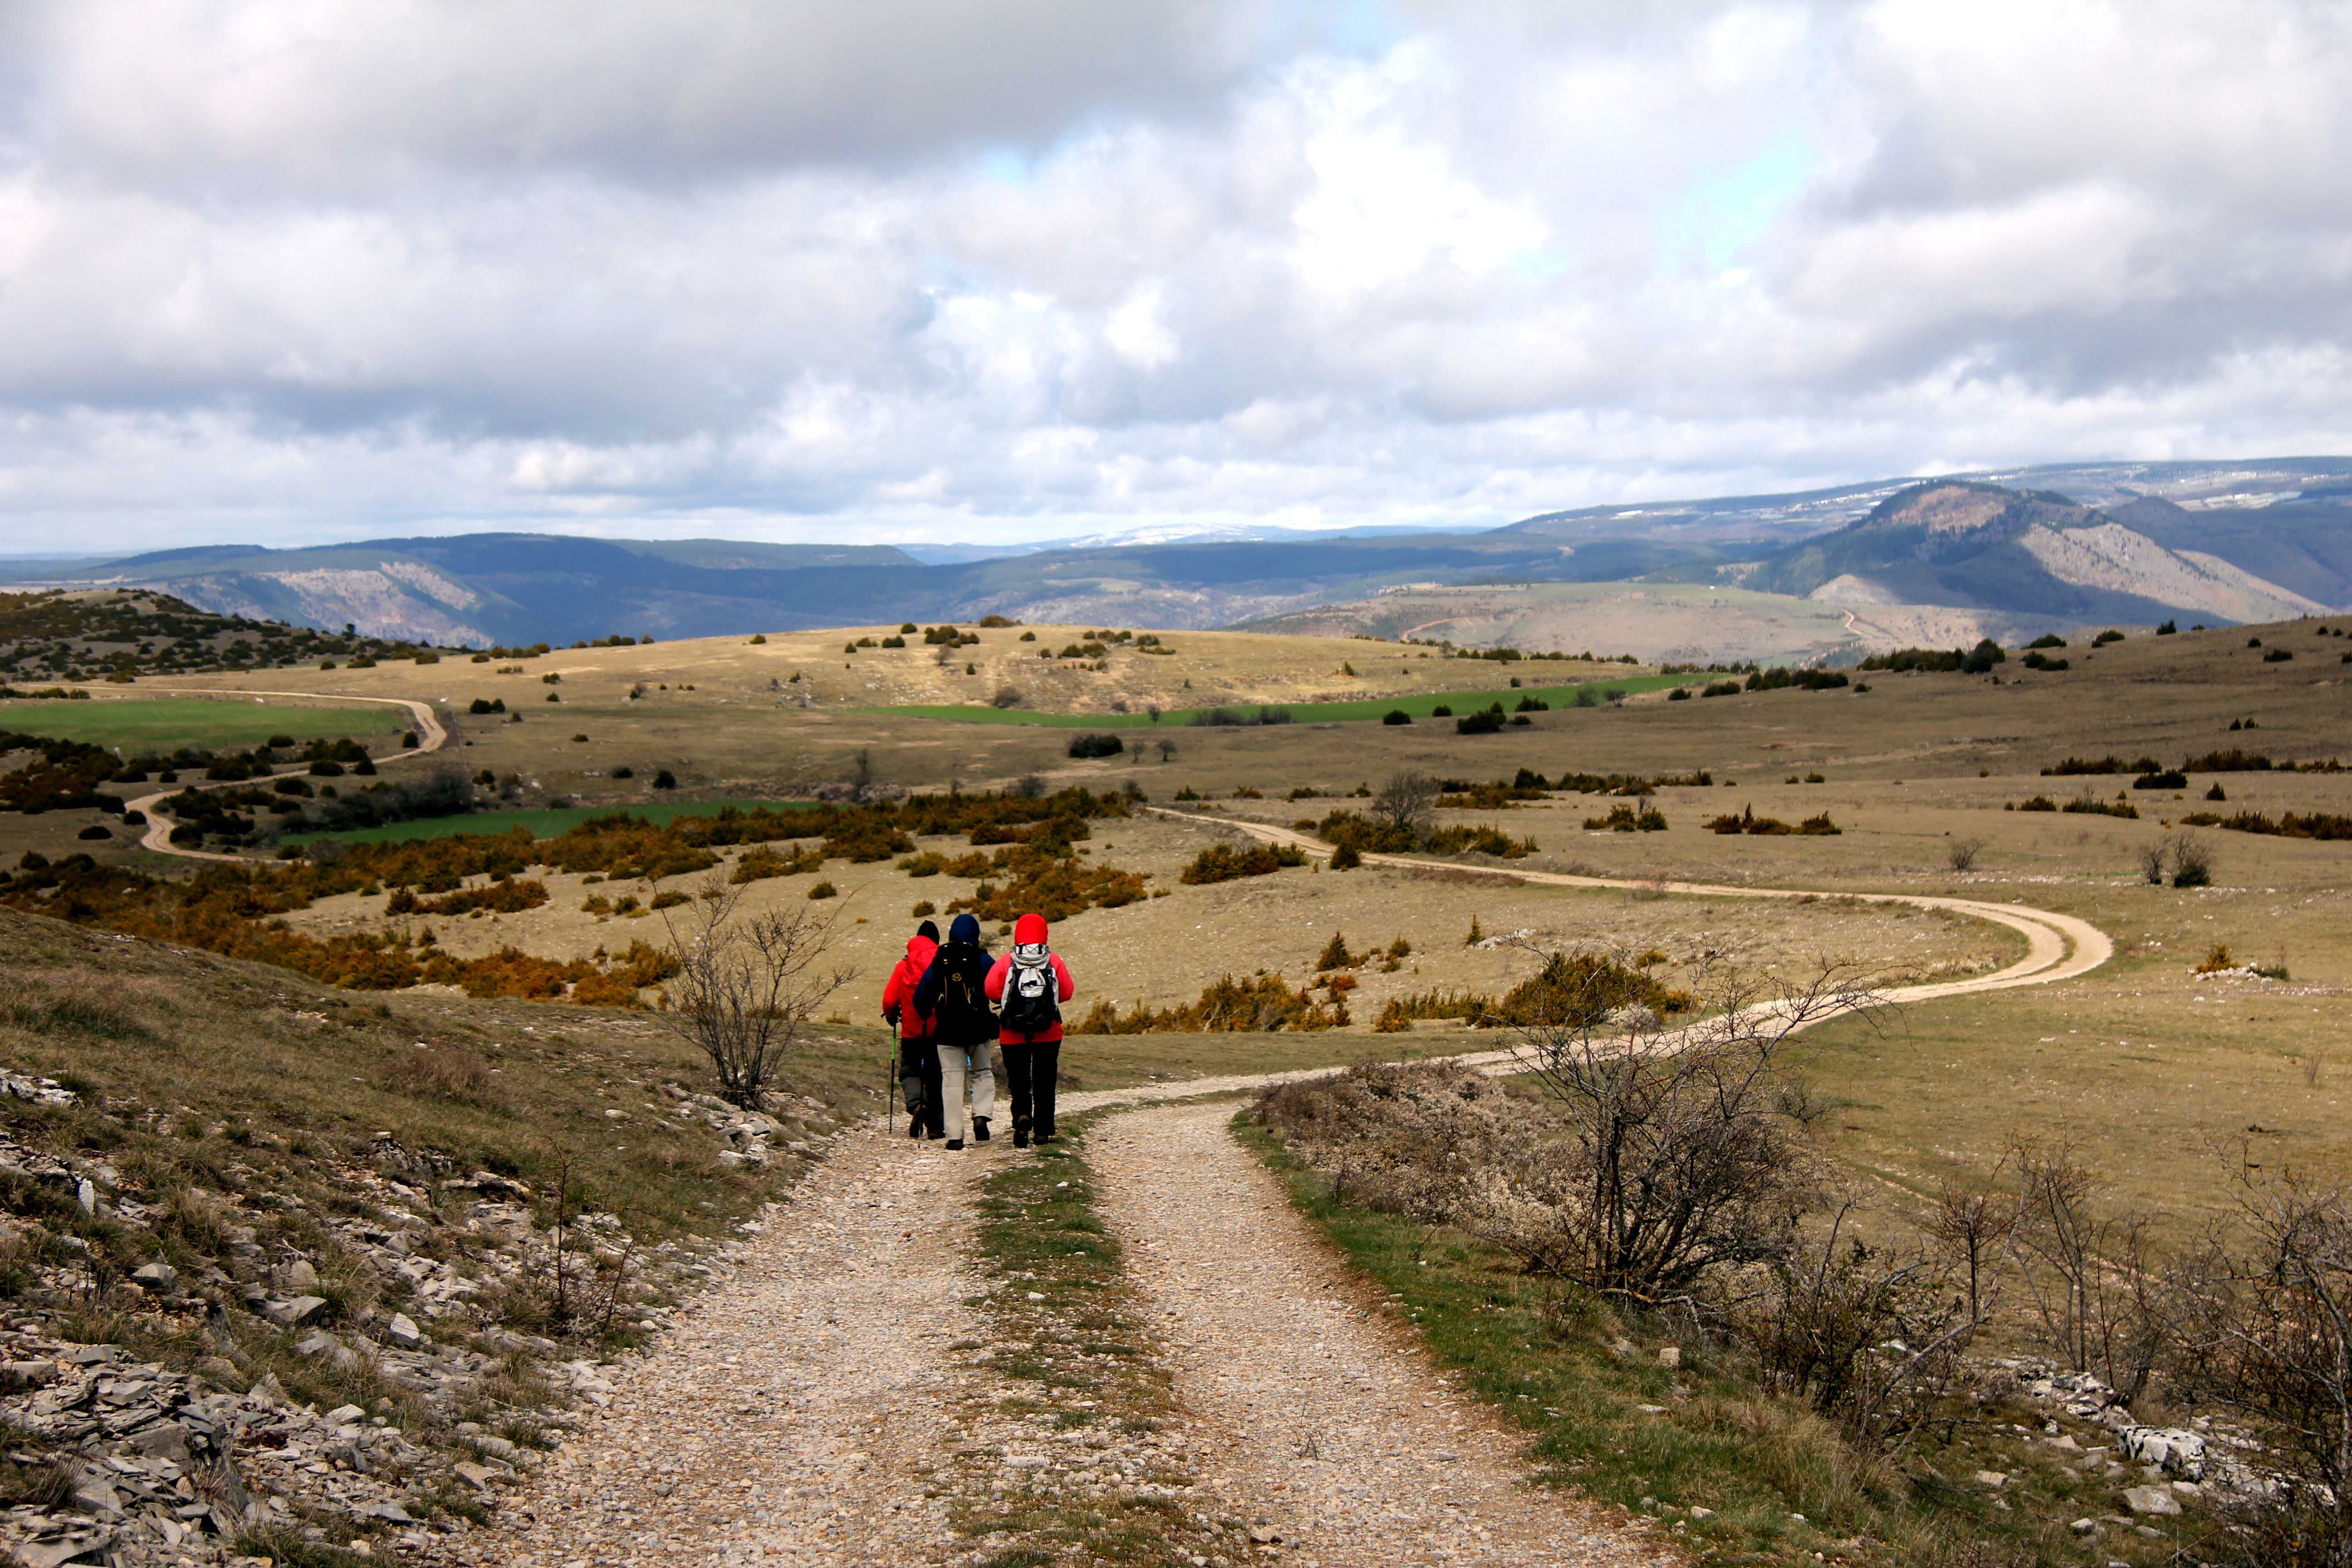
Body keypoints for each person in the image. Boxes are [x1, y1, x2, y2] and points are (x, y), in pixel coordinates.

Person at [987, 911, 1073, 1149]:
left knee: (1019, 1081)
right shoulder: (1053, 960)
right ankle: (1043, 1130)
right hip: (1048, 1032)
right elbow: (1066, 993)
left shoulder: (1007, 961)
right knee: (1045, 1081)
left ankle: (1022, 1119)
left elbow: (990, 990)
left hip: (1012, 1033)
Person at [912, 912, 996, 1150]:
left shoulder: (941, 959)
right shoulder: (983, 959)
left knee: (951, 1081)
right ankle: (980, 1115)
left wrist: (925, 1014)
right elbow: (997, 987)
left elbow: (921, 996)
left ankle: (955, 1137)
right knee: (981, 1072)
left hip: (947, 1030)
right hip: (978, 1028)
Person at [881, 919, 944, 1139]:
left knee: (910, 1071)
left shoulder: (903, 966)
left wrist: (891, 1015)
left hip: (911, 1032)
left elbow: (890, 1000)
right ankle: (936, 1127)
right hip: (939, 1032)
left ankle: (917, 1105)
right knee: (937, 1077)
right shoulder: (942, 963)